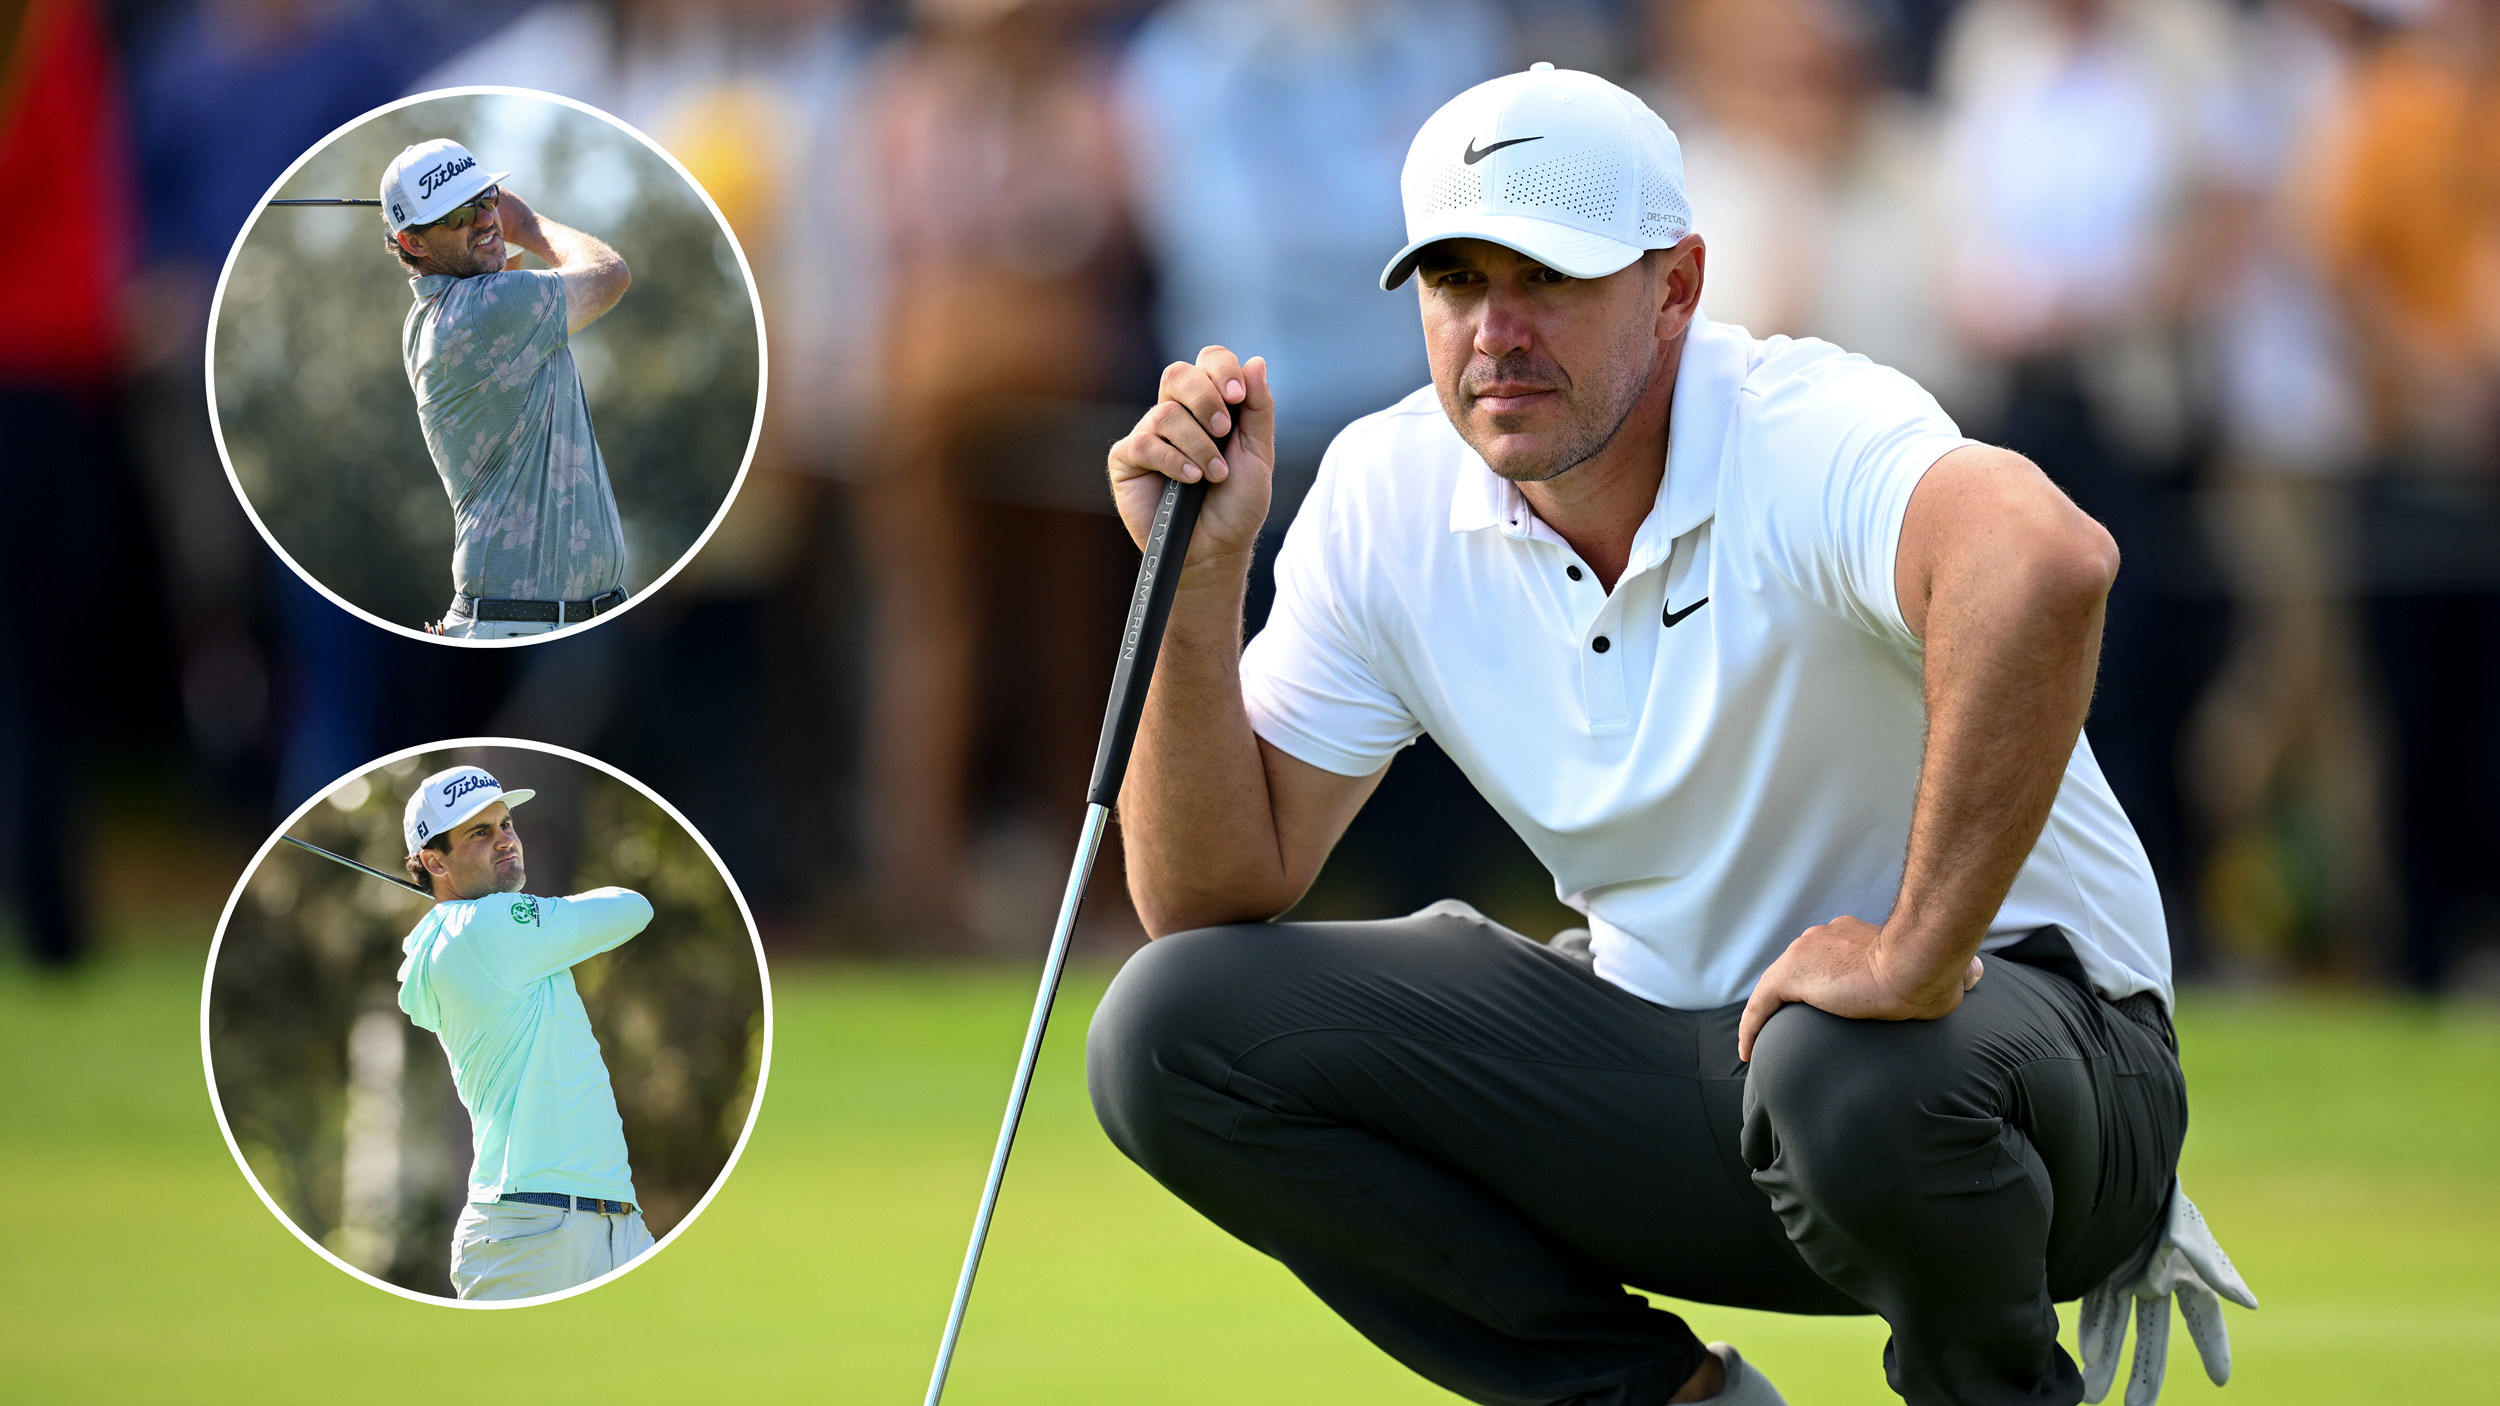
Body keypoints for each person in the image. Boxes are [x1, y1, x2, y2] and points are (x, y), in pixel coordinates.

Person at [1087, 64, 2253, 1406]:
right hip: (1691, 1064)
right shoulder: (1384, 488)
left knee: (1843, 1067)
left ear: (1679, 285)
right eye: (1458, 281)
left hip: (2036, 1081)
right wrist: (1192, 578)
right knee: (1167, 1029)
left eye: (1551, 279)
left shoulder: (1801, 426)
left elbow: (2046, 559)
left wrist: (1920, 948)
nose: (1497, 330)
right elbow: (1207, 891)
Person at [395, 764, 657, 1300]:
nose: (505, 842)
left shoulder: (471, 932)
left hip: (614, 1220)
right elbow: (633, 907)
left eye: (506, 824)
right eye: (479, 833)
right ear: (432, 861)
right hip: (529, 1232)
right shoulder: (487, 928)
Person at [382, 139, 634, 639]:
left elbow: (501, 270)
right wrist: (528, 224)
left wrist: (491, 228)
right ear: (413, 243)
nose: (482, 219)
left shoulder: (436, 314)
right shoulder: (483, 312)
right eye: (457, 215)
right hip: (522, 628)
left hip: (540, 621)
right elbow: (610, 276)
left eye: (485, 197)